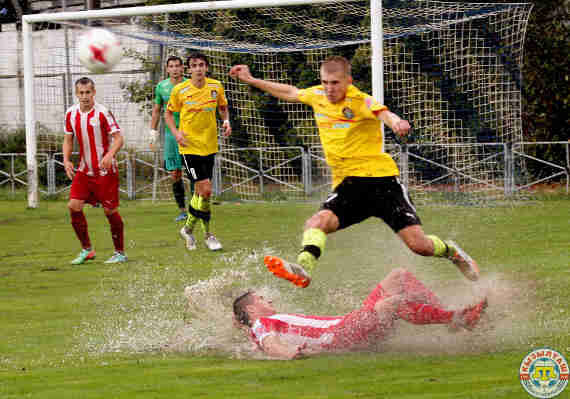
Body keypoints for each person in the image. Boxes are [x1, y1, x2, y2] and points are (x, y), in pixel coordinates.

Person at [229, 56, 479, 288]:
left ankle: (453, 252)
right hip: (350, 185)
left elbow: (384, 113)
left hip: (383, 184)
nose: (329, 88)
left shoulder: (360, 100)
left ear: (348, 81)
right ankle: (302, 269)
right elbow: (291, 92)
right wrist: (251, 80)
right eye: (325, 82)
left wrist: (397, 123)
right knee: (317, 223)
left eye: (335, 83)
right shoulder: (317, 95)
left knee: (419, 245)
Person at [233, 268, 488, 359]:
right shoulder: (262, 324)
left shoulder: (256, 326)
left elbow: (256, 337)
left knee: (399, 277)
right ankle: (458, 319)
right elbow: (271, 345)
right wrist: (291, 354)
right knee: (396, 302)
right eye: (262, 299)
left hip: (347, 325)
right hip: (342, 334)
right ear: (252, 309)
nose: (268, 300)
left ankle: (452, 317)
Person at [165, 52, 232, 251]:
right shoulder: (180, 90)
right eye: (194, 65)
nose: (198, 68)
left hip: (210, 146)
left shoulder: (215, 86)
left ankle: (187, 230)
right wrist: (176, 133)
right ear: (189, 69)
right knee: (207, 190)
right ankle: (209, 235)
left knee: (201, 193)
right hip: (189, 147)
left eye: (202, 65)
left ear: (207, 68)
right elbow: (168, 114)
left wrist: (226, 121)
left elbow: (223, 108)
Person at [63, 77, 127, 265]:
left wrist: (109, 155)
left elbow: (118, 138)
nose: (84, 96)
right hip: (84, 170)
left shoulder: (103, 113)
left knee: (109, 211)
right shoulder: (70, 114)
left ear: (94, 92)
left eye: (88, 92)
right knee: (73, 206)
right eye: (81, 93)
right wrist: (66, 160)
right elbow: (67, 139)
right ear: (76, 94)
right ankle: (87, 250)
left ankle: (120, 252)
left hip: (105, 172)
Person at [150, 56, 189, 222]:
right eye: (171, 66)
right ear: (167, 69)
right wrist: (152, 133)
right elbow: (157, 110)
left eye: (177, 66)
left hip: (189, 133)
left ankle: (196, 207)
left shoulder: (190, 84)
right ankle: (182, 210)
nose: (174, 69)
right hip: (170, 135)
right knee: (175, 172)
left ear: (182, 69)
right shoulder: (162, 87)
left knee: (193, 171)